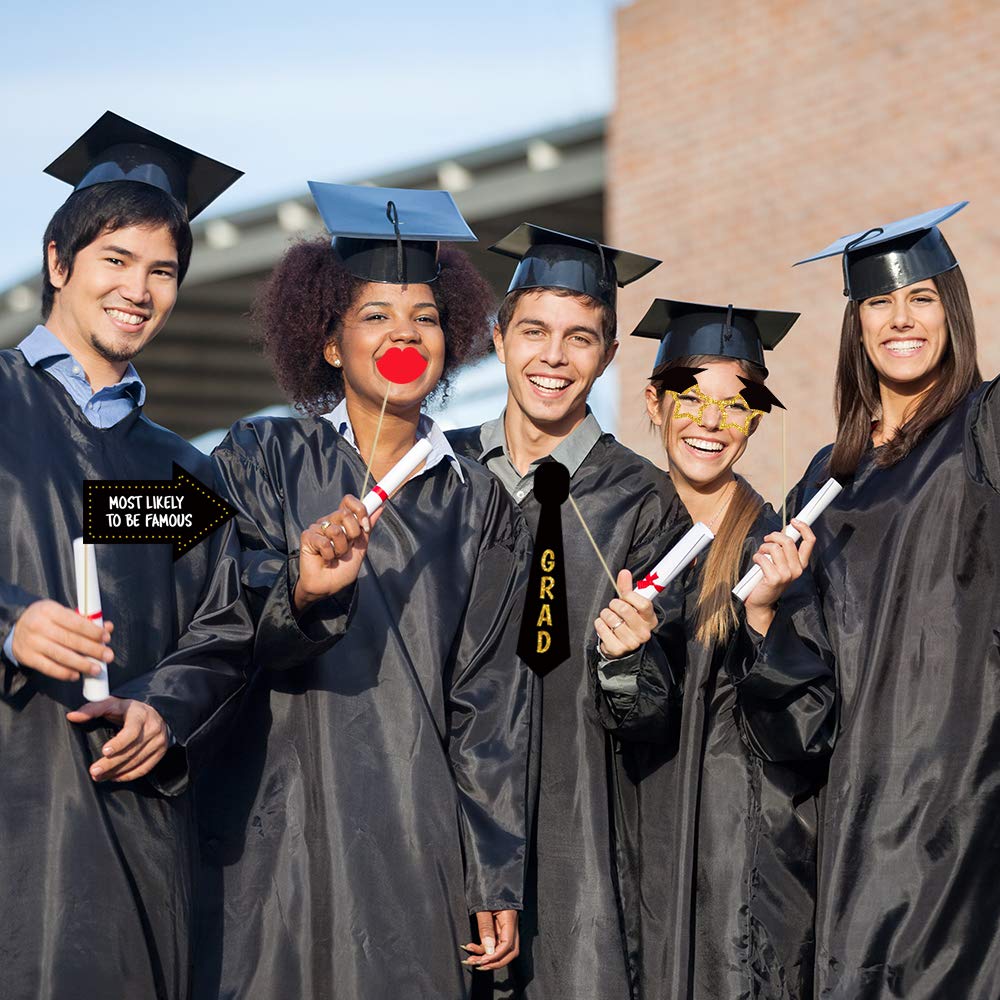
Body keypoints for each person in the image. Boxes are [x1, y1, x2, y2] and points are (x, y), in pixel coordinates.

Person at [193, 182, 536, 1000]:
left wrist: (495, 871)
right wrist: (299, 589)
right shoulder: (262, 457)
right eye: (376, 315)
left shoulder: (479, 501)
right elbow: (216, 614)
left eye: (425, 317)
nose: (405, 334)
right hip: (275, 824)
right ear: (328, 342)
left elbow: (490, 700)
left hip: (416, 836)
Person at [0, 112, 251, 1000]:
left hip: (129, 835)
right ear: (58, 261)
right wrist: (9, 623)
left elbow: (221, 631)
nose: (138, 289)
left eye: (163, 270)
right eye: (115, 259)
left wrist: (163, 712)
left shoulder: (181, 472)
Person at [448, 225, 689, 1000]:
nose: (553, 357)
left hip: (576, 844)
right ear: (498, 338)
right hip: (441, 832)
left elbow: (652, 722)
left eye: (579, 338)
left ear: (609, 355)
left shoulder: (645, 501)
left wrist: (631, 662)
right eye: (534, 332)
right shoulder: (439, 472)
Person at [592, 299, 837, 999]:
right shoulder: (617, 533)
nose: (710, 423)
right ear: (654, 402)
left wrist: (761, 617)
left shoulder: (780, 551)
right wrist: (623, 660)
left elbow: (807, 732)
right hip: (632, 851)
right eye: (692, 400)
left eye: (735, 407)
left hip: (746, 868)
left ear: (755, 421)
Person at [790, 202, 1000, 997]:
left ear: (954, 313)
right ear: (857, 325)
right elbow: (803, 688)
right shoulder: (824, 479)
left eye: (922, 298)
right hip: (854, 812)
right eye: (879, 301)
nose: (901, 318)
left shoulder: (985, 426)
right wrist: (766, 613)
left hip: (967, 792)